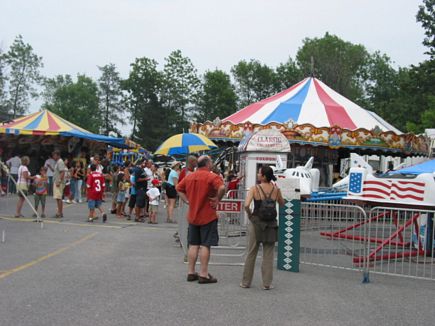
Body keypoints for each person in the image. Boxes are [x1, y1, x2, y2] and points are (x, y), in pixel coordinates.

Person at [177, 155, 225, 284]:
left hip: (193, 215)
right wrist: (217, 199)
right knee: (205, 245)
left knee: (193, 245)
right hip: (208, 216)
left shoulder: (190, 176)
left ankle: (191, 272)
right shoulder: (212, 176)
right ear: (208, 164)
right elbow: (222, 187)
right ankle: (204, 274)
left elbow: (178, 188)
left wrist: (186, 200)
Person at [240, 166, 285, 290]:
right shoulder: (276, 189)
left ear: (264, 176)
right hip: (271, 224)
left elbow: (246, 205)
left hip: (256, 223)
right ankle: (267, 283)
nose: (258, 174)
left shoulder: (255, 189)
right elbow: (282, 203)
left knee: (252, 252)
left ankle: (246, 282)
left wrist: (250, 216)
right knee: (268, 254)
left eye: (259, 173)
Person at [52, 150, 66, 219]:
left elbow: (62, 172)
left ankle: (59, 213)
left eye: (54, 155)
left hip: (58, 182)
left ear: (58, 155)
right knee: (58, 198)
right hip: (57, 181)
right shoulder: (58, 162)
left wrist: (59, 181)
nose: (53, 157)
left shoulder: (60, 162)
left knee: (58, 197)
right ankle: (59, 212)